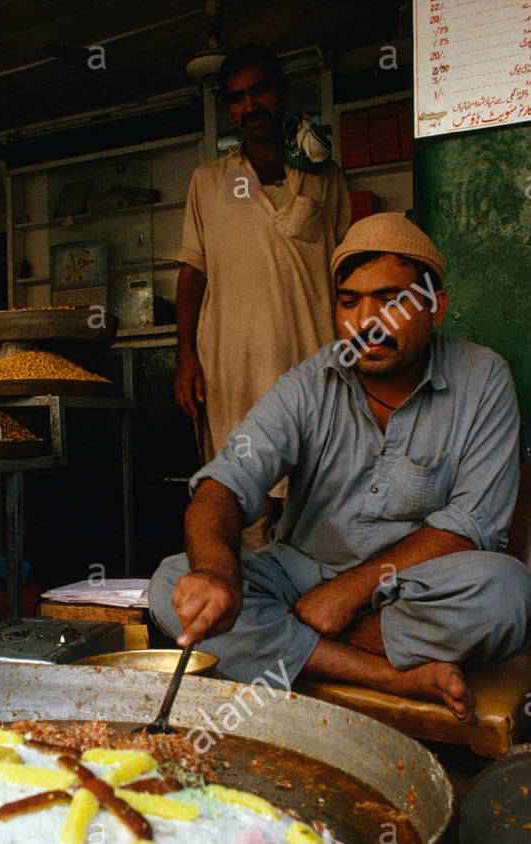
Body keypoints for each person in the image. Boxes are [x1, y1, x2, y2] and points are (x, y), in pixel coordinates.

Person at [149, 213, 531, 723]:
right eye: (349, 301)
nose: (367, 321)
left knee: (507, 596)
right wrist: (216, 574)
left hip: (415, 587)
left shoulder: (482, 377)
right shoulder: (309, 383)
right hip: (302, 576)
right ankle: (392, 675)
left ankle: (291, 651)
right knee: (170, 582)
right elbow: (224, 483)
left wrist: (351, 592)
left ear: (435, 308)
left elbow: (474, 524)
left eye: (391, 300)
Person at [174, 43, 352, 550]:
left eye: (259, 92)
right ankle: (249, 620)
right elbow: (192, 273)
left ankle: (312, 617)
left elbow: (347, 271)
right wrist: (186, 356)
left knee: (318, 503)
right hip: (233, 370)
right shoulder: (207, 182)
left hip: (314, 367)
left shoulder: (325, 177)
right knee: (241, 497)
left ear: (283, 94)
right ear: (228, 109)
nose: (249, 107)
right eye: (236, 99)